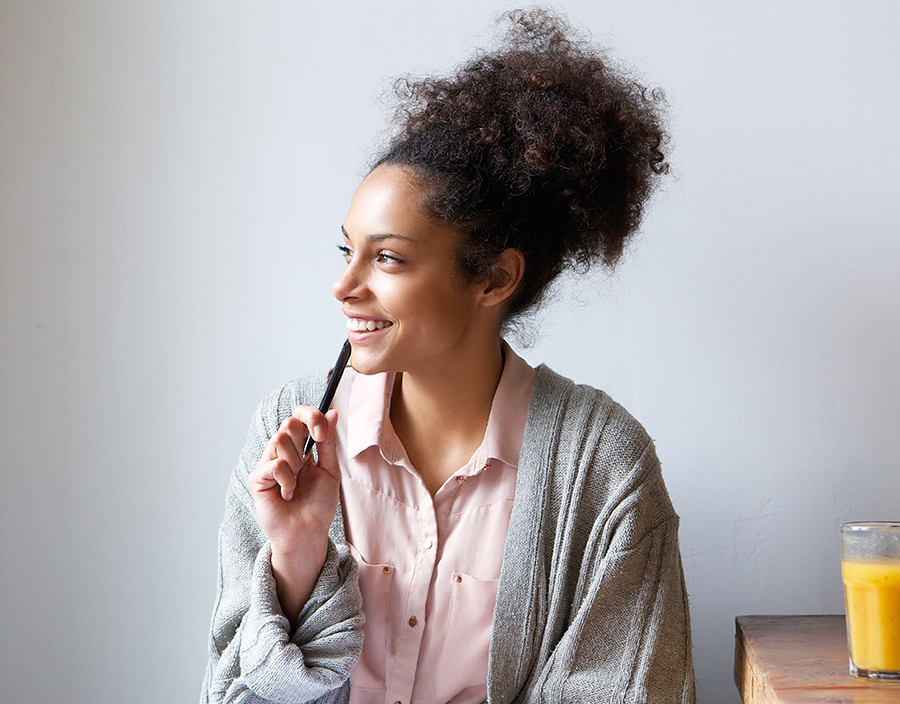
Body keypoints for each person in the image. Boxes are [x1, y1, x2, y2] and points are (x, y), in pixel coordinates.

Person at [201, 9, 694, 704]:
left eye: (389, 258)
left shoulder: (605, 467)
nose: (344, 287)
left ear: (494, 278)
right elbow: (230, 693)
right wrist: (297, 564)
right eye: (348, 251)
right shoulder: (288, 432)